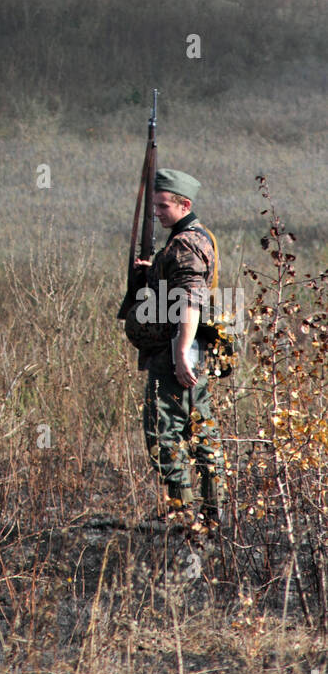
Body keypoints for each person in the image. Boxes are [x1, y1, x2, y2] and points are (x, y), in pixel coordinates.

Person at [133, 168, 227, 526]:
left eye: (162, 205)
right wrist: (154, 268)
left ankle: (182, 511)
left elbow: (189, 301)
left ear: (183, 203)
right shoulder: (193, 238)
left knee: (164, 431)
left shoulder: (186, 243)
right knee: (199, 427)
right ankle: (210, 512)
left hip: (179, 348)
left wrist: (179, 353)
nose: (155, 212)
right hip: (187, 348)